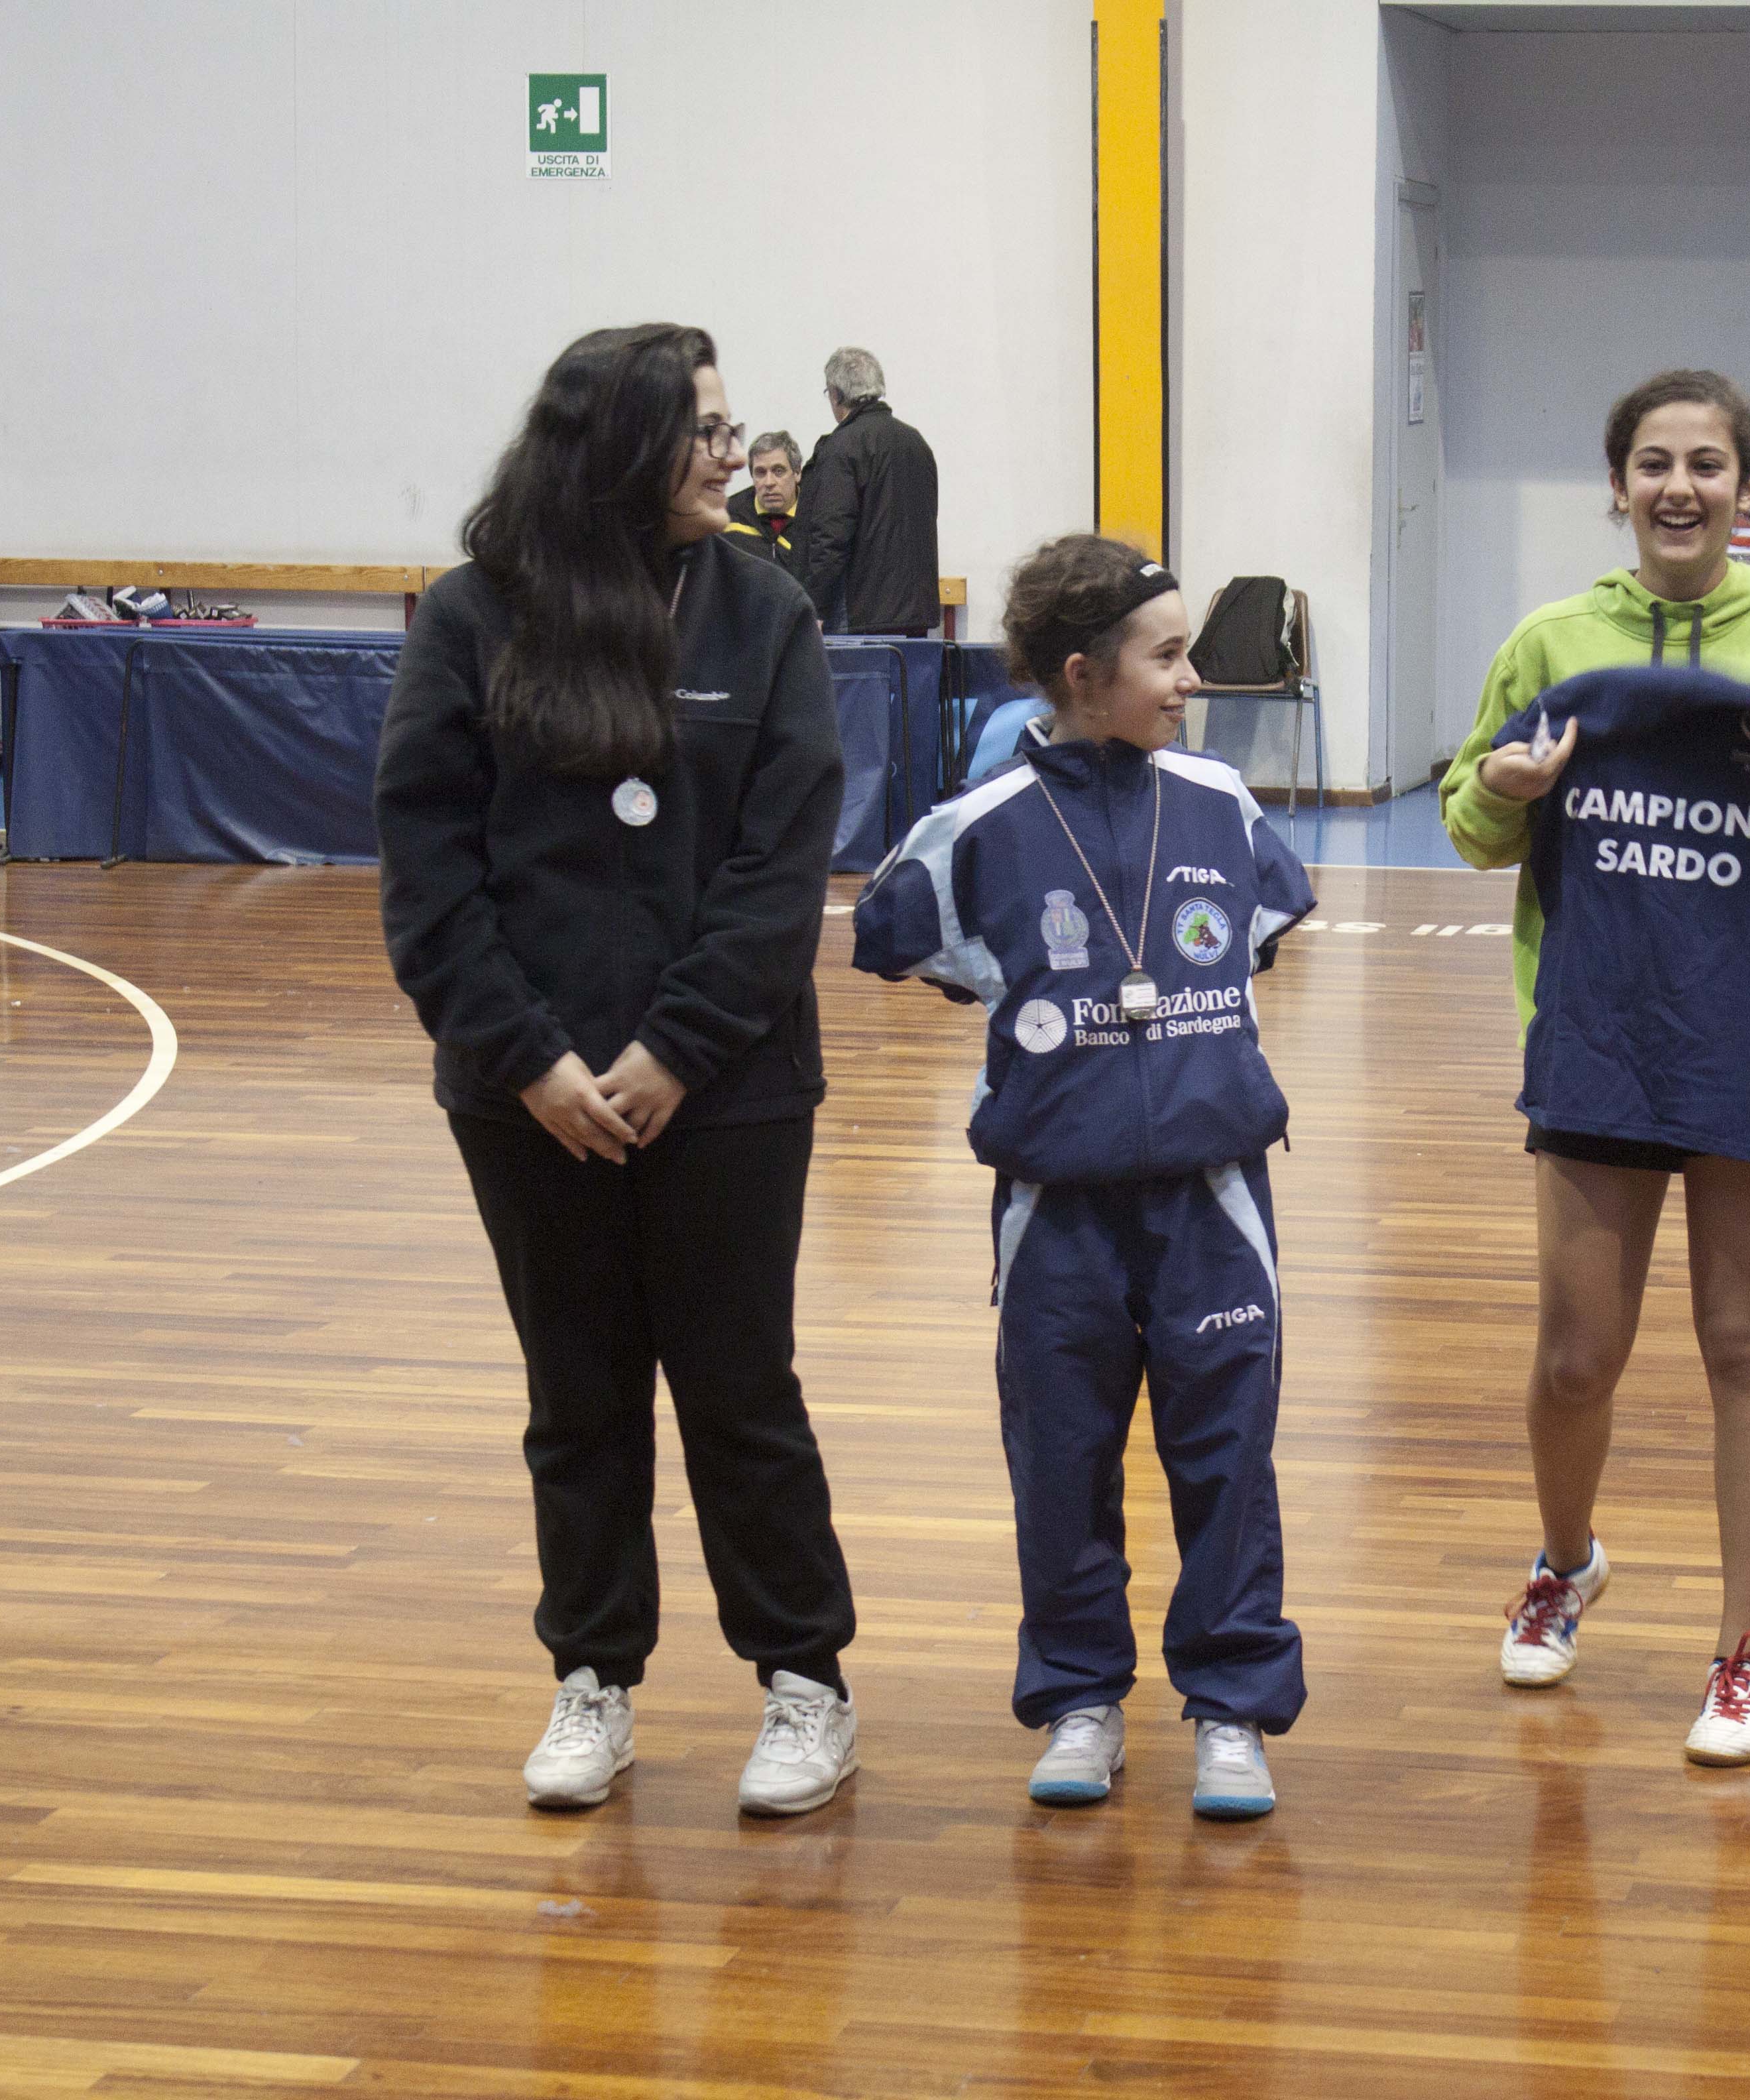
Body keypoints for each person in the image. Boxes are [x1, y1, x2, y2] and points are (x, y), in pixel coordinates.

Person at [375, 323, 862, 1820]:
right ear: (612, 448)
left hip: (727, 1087)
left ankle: (803, 1683)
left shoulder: (763, 610)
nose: (733, 452)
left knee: (737, 1388)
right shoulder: (473, 617)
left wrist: (673, 1050)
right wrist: (527, 1058)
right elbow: (427, 868)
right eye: (701, 430)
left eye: (731, 427)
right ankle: (593, 1678)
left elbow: (782, 869)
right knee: (576, 1396)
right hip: (527, 1098)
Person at [1440, 369, 1750, 1769]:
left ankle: (1746, 1658)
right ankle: (1568, 1559)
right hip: (1596, 1029)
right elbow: (1475, 829)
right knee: (1577, 1355)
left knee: (1744, 1347)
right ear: (1617, 484)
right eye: (1654, 463)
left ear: (1747, 489)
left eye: (1709, 466)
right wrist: (1508, 791)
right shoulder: (1553, 639)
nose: (1680, 490)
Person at [851, 534, 1314, 1820]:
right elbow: (893, 935)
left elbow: (1261, 938)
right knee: (1061, 1454)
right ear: (1078, 671)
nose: (1189, 681)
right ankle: (1078, 1696)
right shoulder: (985, 828)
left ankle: (1231, 1704)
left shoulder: (1223, 802)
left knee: (1227, 1453)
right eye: (1166, 657)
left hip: (1214, 1202)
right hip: (1056, 1212)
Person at [801, 347, 943, 638]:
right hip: (917, 614)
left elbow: (831, 536)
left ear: (836, 394)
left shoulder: (841, 448)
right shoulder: (916, 443)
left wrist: (815, 608)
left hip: (860, 615)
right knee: (910, 684)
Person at [722, 430, 823, 609]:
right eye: (760, 473)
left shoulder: (817, 516)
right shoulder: (729, 518)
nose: (769, 482)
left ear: (798, 472)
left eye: (778, 471)